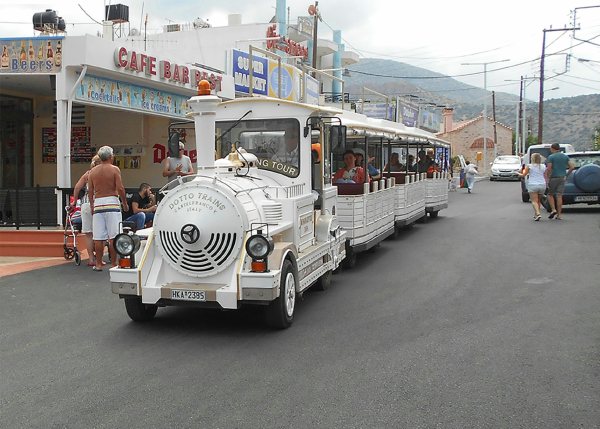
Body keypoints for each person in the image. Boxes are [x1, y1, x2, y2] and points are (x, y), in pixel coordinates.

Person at [88, 146, 128, 270]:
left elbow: (90, 191)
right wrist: (124, 202)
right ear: (111, 157)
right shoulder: (114, 169)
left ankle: (98, 263)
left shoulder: (92, 172)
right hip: (112, 202)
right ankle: (114, 263)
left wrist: (92, 205)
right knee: (114, 236)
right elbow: (120, 188)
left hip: (98, 202)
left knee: (98, 237)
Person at [71, 155, 102, 267]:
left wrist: (74, 201)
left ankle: (91, 259)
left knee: (88, 234)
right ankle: (99, 259)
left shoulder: (88, 174)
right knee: (99, 233)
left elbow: (77, 187)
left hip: (85, 205)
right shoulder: (103, 173)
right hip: (98, 203)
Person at [545, 142, 574, 220]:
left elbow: (549, 168)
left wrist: (547, 178)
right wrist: (566, 175)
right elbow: (571, 167)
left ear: (552, 148)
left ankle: (553, 209)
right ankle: (559, 214)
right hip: (562, 177)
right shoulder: (565, 157)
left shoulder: (551, 157)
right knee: (559, 195)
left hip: (554, 178)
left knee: (550, 194)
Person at [519, 153, 547, 221]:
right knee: (538, 201)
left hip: (533, 185)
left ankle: (538, 213)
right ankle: (536, 214)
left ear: (532, 158)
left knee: (534, 201)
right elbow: (545, 174)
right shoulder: (543, 166)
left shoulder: (529, 166)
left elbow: (523, 175)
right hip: (542, 184)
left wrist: (518, 173)